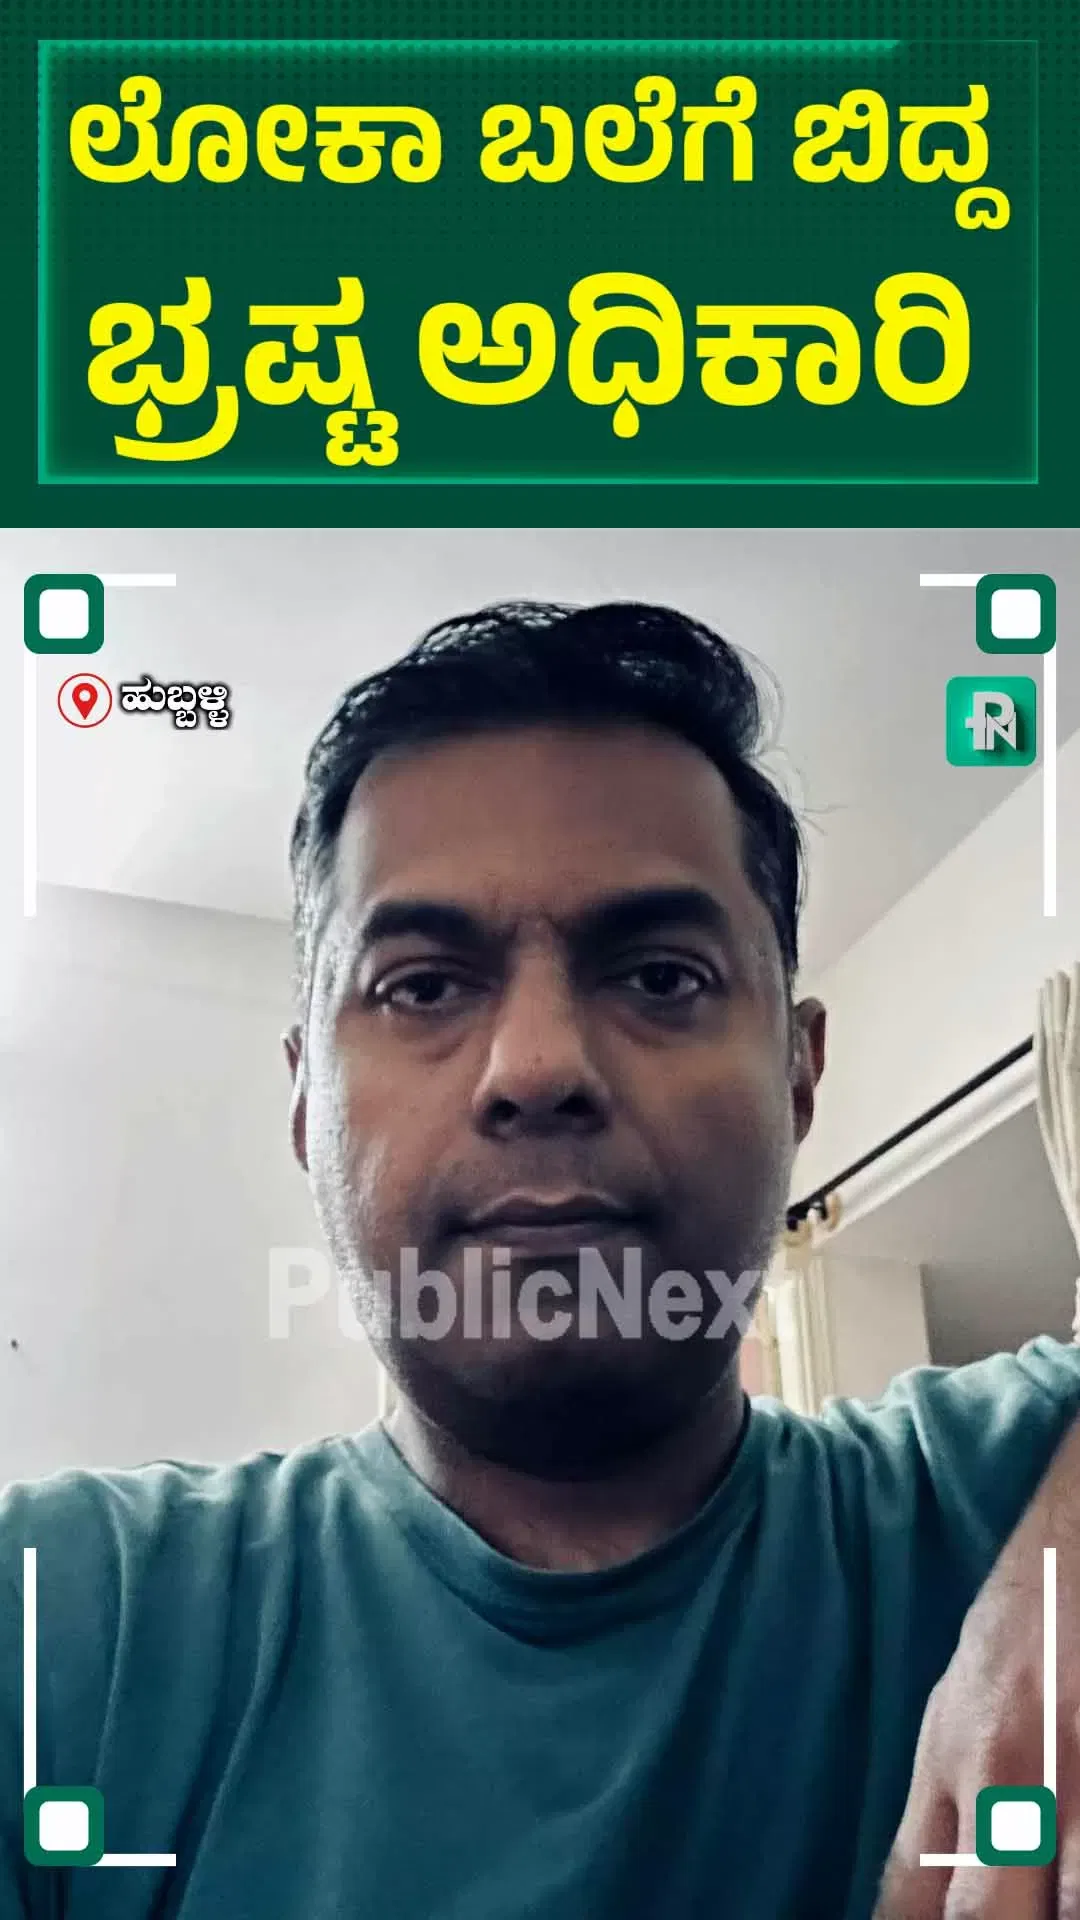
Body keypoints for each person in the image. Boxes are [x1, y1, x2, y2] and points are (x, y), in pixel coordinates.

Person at [3, 599, 1079, 1920]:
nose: (537, 1065)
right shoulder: (67, 1621)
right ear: (304, 1097)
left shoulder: (1002, 1499)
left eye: (662, 977)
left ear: (799, 1073)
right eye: (422, 986)